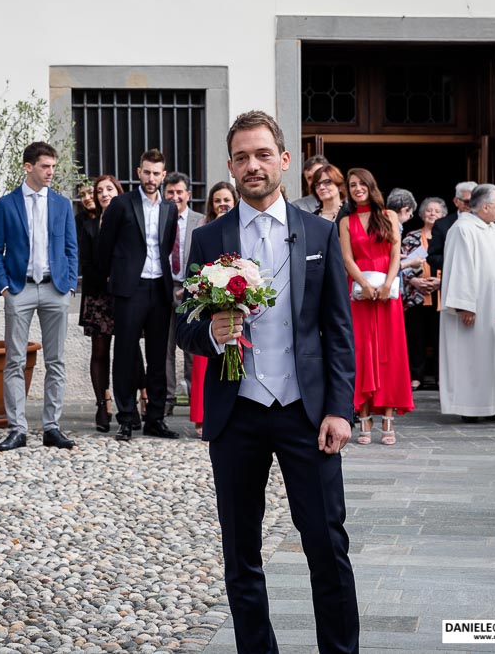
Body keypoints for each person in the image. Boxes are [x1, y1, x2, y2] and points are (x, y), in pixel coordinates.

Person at [177, 110, 358, 654]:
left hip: (307, 412)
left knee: (327, 545)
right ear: (230, 166)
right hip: (238, 414)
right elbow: (181, 322)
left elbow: (338, 332)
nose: (251, 166)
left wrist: (340, 410)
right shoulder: (210, 238)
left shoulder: (321, 234)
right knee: (241, 551)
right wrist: (210, 330)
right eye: (240, 157)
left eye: (262, 155)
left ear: (283, 160)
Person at [0, 141, 79, 452]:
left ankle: (52, 426)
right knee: (14, 360)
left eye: (53, 166)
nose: (51, 171)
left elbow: (71, 247)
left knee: (57, 361)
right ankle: (17, 429)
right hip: (19, 287)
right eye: (45, 166)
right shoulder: (6, 204)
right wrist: (3, 286)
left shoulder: (62, 204)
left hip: (55, 288)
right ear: (28, 167)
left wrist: (68, 285)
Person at [98, 149, 180, 441]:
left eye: (156, 173)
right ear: (138, 172)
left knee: (158, 356)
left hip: (159, 287)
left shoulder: (169, 209)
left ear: (163, 174)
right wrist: (112, 280)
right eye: (146, 172)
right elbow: (104, 246)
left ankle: (155, 418)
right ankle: (126, 418)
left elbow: (166, 244)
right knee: (124, 354)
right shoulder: (122, 204)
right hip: (128, 290)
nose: (151, 178)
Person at [340, 168, 414, 445]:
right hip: (359, 294)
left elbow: (396, 253)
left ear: (371, 186)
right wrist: (364, 283)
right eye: (352, 185)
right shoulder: (346, 222)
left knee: (389, 352)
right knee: (362, 351)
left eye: (362, 184)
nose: (357, 188)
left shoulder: (389, 216)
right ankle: (364, 417)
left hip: (387, 294)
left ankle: (388, 417)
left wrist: (387, 285)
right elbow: (347, 259)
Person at [439, 183, 495, 421]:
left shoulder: (492, 228)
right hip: (475, 308)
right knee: (472, 356)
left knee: (494, 355)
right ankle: (470, 407)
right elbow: (460, 268)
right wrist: (465, 305)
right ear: (485, 206)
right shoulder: (463, 228)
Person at [188, 182, 239, 438]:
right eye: (218, 200)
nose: (223, 204)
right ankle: (200, 416)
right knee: (202, 364)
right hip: (210, 305)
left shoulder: (240, 229)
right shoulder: (205, 231)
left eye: (227, 200)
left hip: (234, 302)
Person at [79, 175, 123, 430]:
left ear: (118, 191)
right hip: (98, 295)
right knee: (100, 351)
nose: (105, 194)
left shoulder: (128, 219)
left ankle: (129, 403)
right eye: (100, 190)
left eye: (109, 189)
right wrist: (105, 277)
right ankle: (101, 405)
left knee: (129, 352)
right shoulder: (89, 224)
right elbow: (85, 261)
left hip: (124, 293)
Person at [164, 172, 203, 417]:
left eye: (180, 192)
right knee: (165, 349)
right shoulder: (159, 218)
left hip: (192, 290)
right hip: (165, 288)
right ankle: (167, 399)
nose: (175, 197)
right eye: (170, 192)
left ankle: (193, 398)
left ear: (188, 194)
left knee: (192, 347)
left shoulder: (200, 220)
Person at [402, 197, 447, 389]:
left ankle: (441, 376)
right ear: (421, 214)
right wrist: (414, 280)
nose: (432, 214)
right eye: (429, 210)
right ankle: (416, 376)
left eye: (437, 211)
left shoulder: (447, 235)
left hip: (441, 294)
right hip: (415, 293)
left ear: (443, 215)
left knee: (441, 337)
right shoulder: (411, 237)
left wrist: (441, 281)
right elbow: (400, 261)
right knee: (415, 336)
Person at [427, 180, 477, 275]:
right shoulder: (442, 225)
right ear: (456, 202)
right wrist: (456, 263)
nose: (471, 205)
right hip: (453, 279)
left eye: (474, 202)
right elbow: (432, 257)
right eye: (467, 202)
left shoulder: (485, 223)